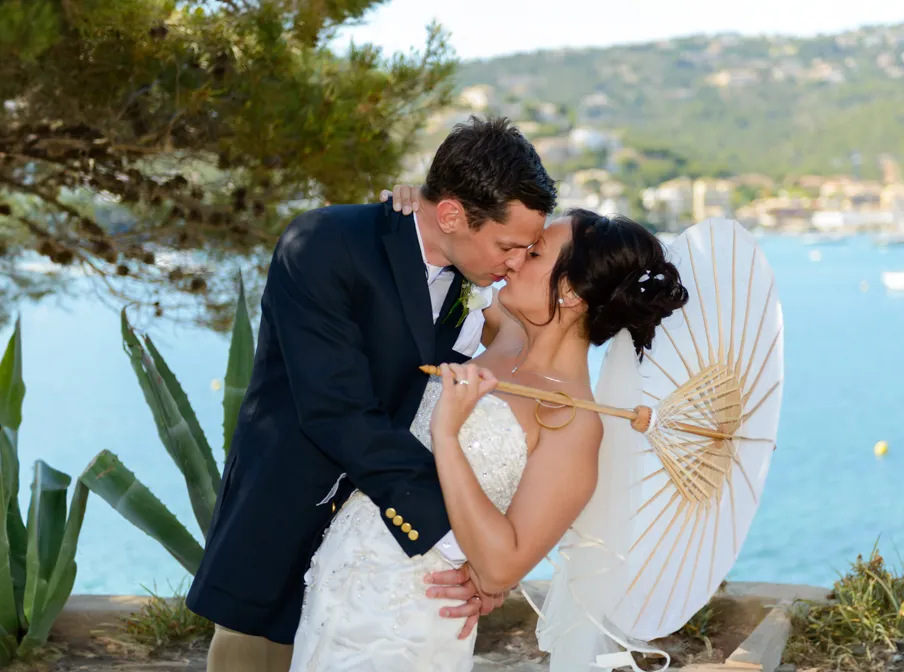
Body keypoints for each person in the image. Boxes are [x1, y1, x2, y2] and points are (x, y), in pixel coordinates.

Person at [185, 116, 558, 672]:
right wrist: (466, 547)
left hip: (381, 558)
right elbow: (338, 413)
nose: (514, 263)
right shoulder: (325, 244)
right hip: (288, 525)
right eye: (508, 245)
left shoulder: (471, 282)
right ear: (453, 215)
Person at [288, 185, 689, 671]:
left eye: (535, 252)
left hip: (412, 613)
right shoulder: (506, 329)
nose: (515, 259)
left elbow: (501, 566)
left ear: (570, 291)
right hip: (338, 579)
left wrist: (449, 437)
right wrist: (427, 209)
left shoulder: (574, 422)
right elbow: (442, 262)